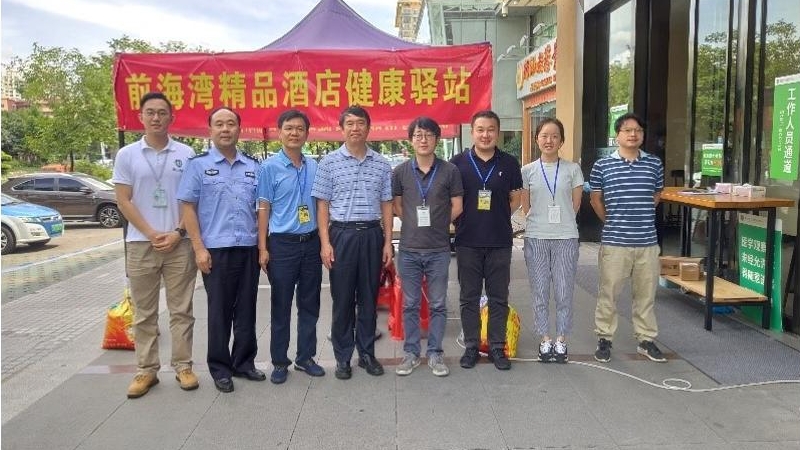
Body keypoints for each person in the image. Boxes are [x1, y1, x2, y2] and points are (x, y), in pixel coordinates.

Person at [112, 91, 199, 399]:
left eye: (162, 112)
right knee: (144, 312)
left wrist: (177, 231)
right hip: (140, 244)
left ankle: (183, 366)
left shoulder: (186, 153)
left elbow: (192, 200)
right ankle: (146, 370)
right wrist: (150, 233)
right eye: (150, 112)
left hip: (179, 243)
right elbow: (123, 200)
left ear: (171, 118)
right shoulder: (127, 155)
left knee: (182, 310)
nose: (156, 117)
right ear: (141, 117)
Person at [177, 106, 266, 393]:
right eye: (219, 124)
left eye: (231, 124)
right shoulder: (198, 165)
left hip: (247, 247)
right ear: (210, 130)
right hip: (215, 250)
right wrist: (198, 248)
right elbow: (188, 208)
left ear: (239, 129)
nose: (225, 129)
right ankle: (220, 367)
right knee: (219, 311)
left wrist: (262, 246)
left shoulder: (253, 166)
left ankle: (244, 362)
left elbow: (261, 208)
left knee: (247, 309)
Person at [311, 105, 393, 380]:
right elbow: (322, 206)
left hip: (371, 235)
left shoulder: (381, 163)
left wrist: (387, 242)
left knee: (369, 298)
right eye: (350, 123)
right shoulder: (329, 163)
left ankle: (367, 354)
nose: (355, 128)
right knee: (343, 299)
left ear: (369, 128)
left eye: (360, 123)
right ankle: (343, 357)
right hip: (342, 235)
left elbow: (386, 205)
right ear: (342, 128)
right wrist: (325, 243)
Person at [589, 112, 667, 363]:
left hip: (647, 243)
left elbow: (656, 195)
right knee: (608, 293)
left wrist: (640, 216)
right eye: (628, 130)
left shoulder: (654, 164)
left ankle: (646, 340)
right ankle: (604, 339)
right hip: (615, 243)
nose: (633, 134)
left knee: (646, 295)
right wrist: (612, 221)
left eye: (638, 131)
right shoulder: (602, 165)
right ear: (617, 135)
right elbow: (595, 199)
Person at [450, 110, 522, 371]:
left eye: (491, 129)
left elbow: (516, 199)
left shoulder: (509, 163)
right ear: (472, 132)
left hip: (499, 241)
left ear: (497, 132)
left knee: (498, 297)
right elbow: (451, 201)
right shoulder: (457, 163)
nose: (485, 134)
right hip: (467, 241)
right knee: (468, 297)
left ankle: (496, 347)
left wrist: (497, 217)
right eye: (480, 129)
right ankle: (471, 346)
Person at [257, 109, 325, 384]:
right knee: (281, 305)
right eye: (289, 128)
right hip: (282, 245)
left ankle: (305, 357)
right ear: (280, 132)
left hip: (310, 243)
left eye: (299, 128)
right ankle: (279, 361)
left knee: (310, 303)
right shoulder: (269, 167)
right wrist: (263, 247)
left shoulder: (314, 167)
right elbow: (263, 208)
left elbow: (321, 205)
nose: (294, 133)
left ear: (307, 134)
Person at [392, 117, 463, 377]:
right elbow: (397, 205)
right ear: (411, 140)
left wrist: (439, 225)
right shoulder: (400, 172)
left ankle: (435, 353)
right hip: (409, 249)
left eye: (429, 135)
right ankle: (411, 353)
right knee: (410, 304)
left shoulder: (450, 171)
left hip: (438, 249)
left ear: (437, 139)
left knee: (438, 304)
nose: (423, 140)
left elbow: (457, 206)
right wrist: (413, 223)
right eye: (418, 135)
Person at [520, 118, 583, 364]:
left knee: (564, 290)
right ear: (537, 139)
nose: (549, 140)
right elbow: (526, 205)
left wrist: (561, 221)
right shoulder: (527, 171)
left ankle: (561, 339)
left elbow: (575, 205)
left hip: (566, 237)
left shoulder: (572, 169)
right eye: (544, 135)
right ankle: (545, 338)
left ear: (561, 141)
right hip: (536, 237)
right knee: (540, 290)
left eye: (554, 136)